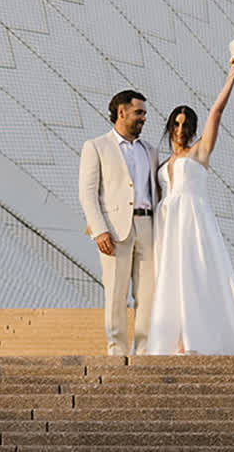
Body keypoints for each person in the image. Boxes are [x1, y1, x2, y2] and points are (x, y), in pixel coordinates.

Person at [146, 61, 234, 355]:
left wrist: (231, 77)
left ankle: (192, 340)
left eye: (187, 125)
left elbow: (216, 113)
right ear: (170, 127)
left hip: (192, 224)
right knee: (170, 279)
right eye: (177, 124)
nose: (181, 130)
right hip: (167, 226)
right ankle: (177, 338)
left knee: (193, 277)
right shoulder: (161, 161)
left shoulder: (200, 152)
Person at [78, 89, 160, 356]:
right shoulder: (96, 146)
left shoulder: (150, 151)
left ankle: (144, 350)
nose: (144, 118)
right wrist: (99, 230)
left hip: (148, 227)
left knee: (147, 294)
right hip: (115, 230)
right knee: (116, 292)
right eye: (139, 112)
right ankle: (117, 350)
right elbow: (88, 192)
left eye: (145, 113)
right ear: (121, 112)